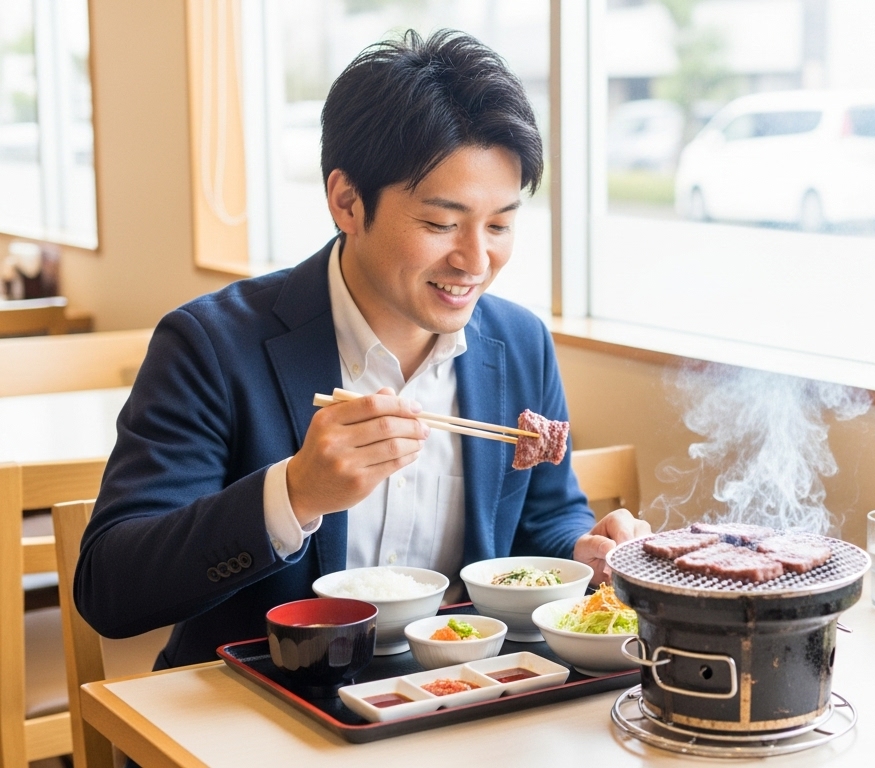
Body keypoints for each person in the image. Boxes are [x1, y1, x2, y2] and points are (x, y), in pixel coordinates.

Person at [74, 30, 650, 669]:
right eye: (440, 223)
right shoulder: (211, 345)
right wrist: (293, 493)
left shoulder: (517, 344)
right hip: (263, 704)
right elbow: (111, 588)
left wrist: (581, 550)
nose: (475, 261)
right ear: (346, 201)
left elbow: (544, 517)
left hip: (456, 696)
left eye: (500, 224)